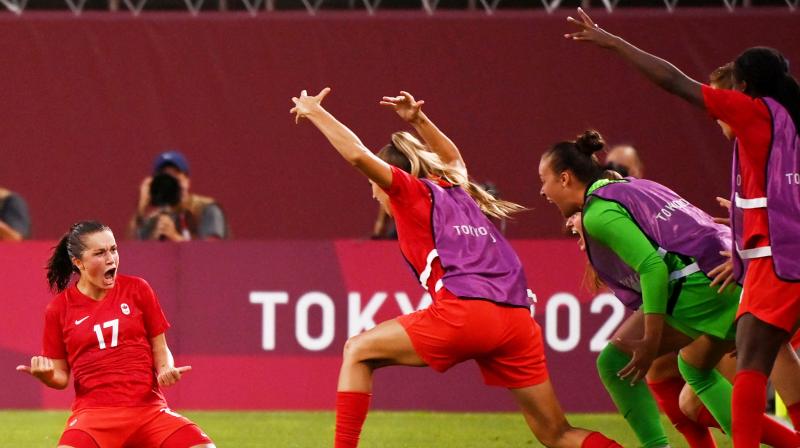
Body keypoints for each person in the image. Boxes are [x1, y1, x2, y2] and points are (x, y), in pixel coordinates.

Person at [291, 88, 622, 448]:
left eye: (374, 184)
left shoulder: (410, 191)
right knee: (557, 434)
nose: (374, 193)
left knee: (357, 350)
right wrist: (418, 120)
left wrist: (314, 113)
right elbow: (454, 158)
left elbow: (357, 155)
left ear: (387, 176)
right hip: (517, 321)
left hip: (466, 313)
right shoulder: (456, 189)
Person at [564, 12, 800, 445]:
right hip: (766, 256)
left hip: (773, 264)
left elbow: (675, 82)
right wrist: (747, 224)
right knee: (723, 370)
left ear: (743, 87)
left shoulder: (755, 114)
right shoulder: (790, 123)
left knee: (750, 365)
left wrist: (614, 42)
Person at [539, 130, 799, 447]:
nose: (543, 190)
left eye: (545, 180)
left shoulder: (599, 213)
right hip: (727, 271)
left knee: (614, 364)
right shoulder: (630, 188)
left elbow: (652, 267)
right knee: (694, 370)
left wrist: (651, 337)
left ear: (565, 178)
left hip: (702, 287)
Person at [16, 221, 215, 448]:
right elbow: (61, 377)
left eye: (114, 249)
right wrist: (46, 375)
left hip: (149, 411)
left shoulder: (138, 289)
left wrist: (166, 368)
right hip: (93, 417)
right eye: (100, 253)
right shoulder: (59, 309)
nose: (111, 259)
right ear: (78, 262)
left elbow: (160, 348)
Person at [130, 150, 228, 241]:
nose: (171, 184)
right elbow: (131, 250)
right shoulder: (156, 219)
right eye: (166, 179)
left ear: (187, 180)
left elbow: (213, 252)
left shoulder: (206, 210)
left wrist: (175, 237)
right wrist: (141, 208)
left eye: (176, 176)